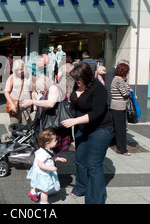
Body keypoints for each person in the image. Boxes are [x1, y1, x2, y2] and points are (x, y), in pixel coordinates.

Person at [61, 62, 113, 204]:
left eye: (78, 79)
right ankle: (81, 187)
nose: (76, 82)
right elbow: (73, 98)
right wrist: (76, 94)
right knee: (80, 159)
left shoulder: (99, 89)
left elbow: (96, 113)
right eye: (75, 80)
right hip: (81, 128)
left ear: (87, 77)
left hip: (100, 129)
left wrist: (75, 121)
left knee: (94, 165)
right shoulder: (78, 85)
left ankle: (95, 200)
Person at [21, 74, 73, 153]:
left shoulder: (53, 88)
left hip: (56, 126)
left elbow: (50, 104)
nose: (39, 91)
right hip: (54, 126)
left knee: (54, 151)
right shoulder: (51, 89)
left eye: (39, 88)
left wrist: (32, 102)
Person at [26, 129, 67, 204]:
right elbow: (40, 164)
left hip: (41, 173)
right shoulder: (43, 153)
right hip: (43, 174)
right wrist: (51, 168)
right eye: (55, 140)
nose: (56, 141)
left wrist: (58, 159)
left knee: (38, 184)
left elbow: (50, 158)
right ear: (48, 143)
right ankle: (44, 202)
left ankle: (32, 193)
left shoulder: (47, 149)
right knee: (45, 190)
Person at [109, 63, 131, 156]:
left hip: (114, 105)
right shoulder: (119, 80)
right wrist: (129, 92)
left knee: (116, 127)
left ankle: (114, 144)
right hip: (119, 106)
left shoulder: (116, 79)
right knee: (121, 129)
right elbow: (125, 93)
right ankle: (122, 149)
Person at [4, 59, 35, 125]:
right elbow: (6, 92)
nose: (19, 72)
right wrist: (11, 104)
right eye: (17, 70)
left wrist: (34, 104)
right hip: (14, 104)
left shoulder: (30, 77)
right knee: (14, 125)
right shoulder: (12, 77)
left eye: (21, 69)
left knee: (26, 126)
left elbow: (33, 92)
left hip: (27, 105)